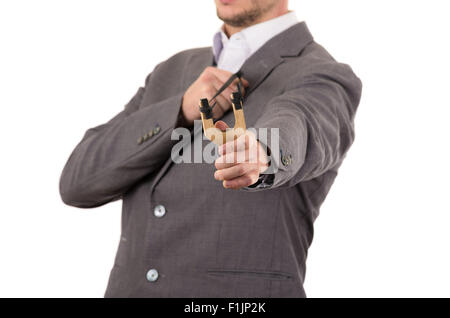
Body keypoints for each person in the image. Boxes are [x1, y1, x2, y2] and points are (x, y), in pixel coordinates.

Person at [59, 0, 362, 297]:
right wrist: (178, 110)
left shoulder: (323, 74)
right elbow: (77, 183)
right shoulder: (171, 70)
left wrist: (262, 151)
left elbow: (302, 122)